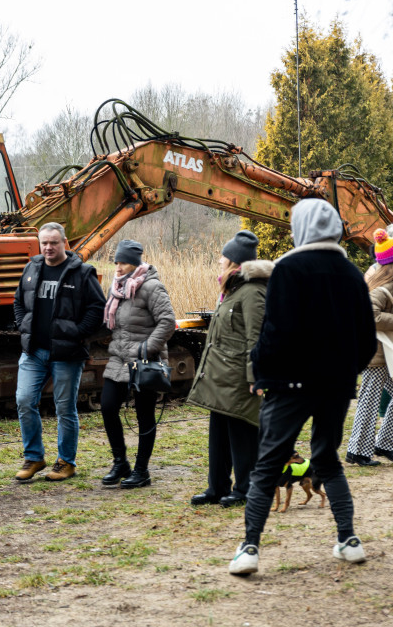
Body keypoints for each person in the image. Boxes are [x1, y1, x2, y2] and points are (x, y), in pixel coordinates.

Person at [229, 199, 375, 576]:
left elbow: (274, 331)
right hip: (336, 385)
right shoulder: (352, 273)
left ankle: (249, 549)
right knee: (327, 459)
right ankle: (349, 539)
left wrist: (261, 372)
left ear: (301, 227)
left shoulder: (289, 269)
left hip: (288, 384)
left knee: (267, 466)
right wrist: (346, 372)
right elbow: (366, 338)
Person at [12, 222, 106, 482]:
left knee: (64, 408)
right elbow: (19, 301)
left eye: (54, 242)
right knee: (24, 400)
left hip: (66, 354)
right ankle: (34, 457)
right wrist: (23, 326)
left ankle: (66, 462)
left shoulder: (82, 272)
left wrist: (77, 333)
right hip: (34, 352)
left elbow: (97, 309)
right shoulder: (32, 268)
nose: (49, 247)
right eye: (44, 243)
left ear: (65, 242)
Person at [187, 231, 271, 507]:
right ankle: (217, 487)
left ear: (235, 261)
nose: (219, 261)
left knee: (242, 435)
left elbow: (256, 337)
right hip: (221, 377)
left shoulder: (253, 292)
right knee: (219, 435)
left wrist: (254, 375)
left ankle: (245, 489)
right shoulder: (232, 290)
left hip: (238, 379)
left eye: (223, 256)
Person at [98, 240, 175, 489]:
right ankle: (121, 463)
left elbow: (167, 321)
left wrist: (146, 348)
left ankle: (142, 470)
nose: (117, 267)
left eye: (122, 262)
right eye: (116, 262)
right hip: (120, 358)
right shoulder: (117, 288)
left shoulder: (152, 286)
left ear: (134, 263)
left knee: (145, 416)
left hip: (145, 361)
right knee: (108, 407)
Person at [346, 228, 393, 466]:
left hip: (385, 352)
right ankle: (357, 452)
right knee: (369, 400)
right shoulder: (383, 284)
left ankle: (384, 444)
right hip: (375, 351)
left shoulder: (381, 277)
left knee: (371, 399)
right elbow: (370, 315)